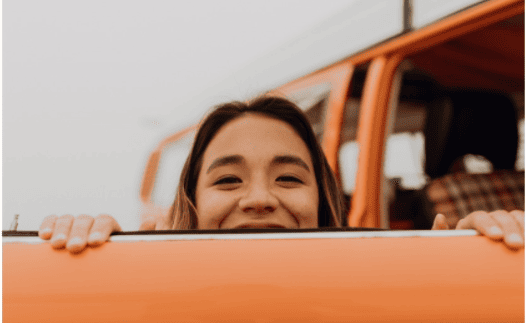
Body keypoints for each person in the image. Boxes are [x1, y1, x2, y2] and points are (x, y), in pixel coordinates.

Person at [38, 96, 525, 253]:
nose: (258, 199)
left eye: (289, 178)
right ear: (189, 204)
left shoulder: (379, 297)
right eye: (228, 180)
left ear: (324, 202)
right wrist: (83, 257)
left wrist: (475, 275)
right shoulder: (139, 301)